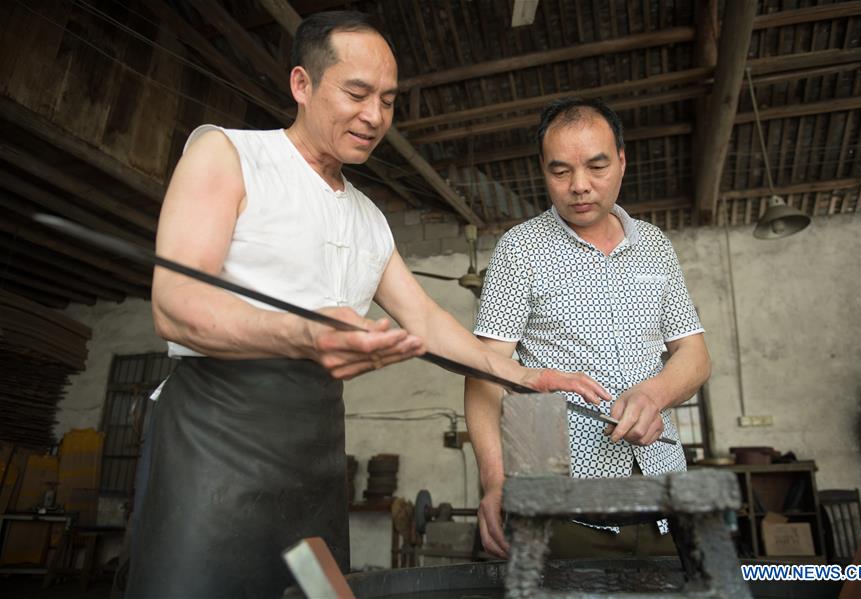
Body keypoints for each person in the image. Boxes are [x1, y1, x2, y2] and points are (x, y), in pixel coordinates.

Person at [125, 12, 609, 599]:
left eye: (387, 99)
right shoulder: (227, 154)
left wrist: (521, 375)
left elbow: (425, 320)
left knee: (315, 593)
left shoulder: (368, 218)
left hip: (314, 453)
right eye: (356, 93)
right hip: (214, 439)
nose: (375, 116)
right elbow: (175, 305)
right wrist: (306, 333)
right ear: (302, 85)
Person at [464, 97, 711, 560]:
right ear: (542, 170)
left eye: (597, 166)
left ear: (621, 160)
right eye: (560, 172)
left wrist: (654, 394)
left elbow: (695, 356)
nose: (579, 186)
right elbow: (484, 374)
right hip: (562, 503)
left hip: (662, 492)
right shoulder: (520, 250)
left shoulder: (655, 245)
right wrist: (494, 483)